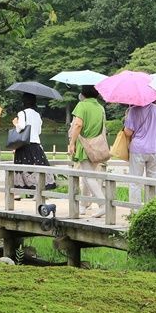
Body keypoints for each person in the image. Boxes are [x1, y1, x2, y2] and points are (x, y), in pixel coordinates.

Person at [68, 85, 108, 218]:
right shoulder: (100, 107)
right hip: (96, 145)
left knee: (88, 176)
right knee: (88, 177)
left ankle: (103, 205)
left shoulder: (82, 105)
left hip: (85, 145)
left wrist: (72, 143)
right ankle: (84, 205)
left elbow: (78, 124)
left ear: (83, 94)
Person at [123, 100, 156, 205]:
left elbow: (128, 132)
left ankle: (135, 211)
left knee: (135, 181)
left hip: (138, 149)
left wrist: (126, 123)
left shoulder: (133, 111)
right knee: (155, 180)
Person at [11, 92, 53, 191]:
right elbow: (39, 131)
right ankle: (38, 191)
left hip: (24, 145)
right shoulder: (37, 114)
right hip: (36, 145)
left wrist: (15, 123)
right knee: (37, 169)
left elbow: (20, 128)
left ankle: (21, 191)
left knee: (23, 169)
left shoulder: (22, 113)